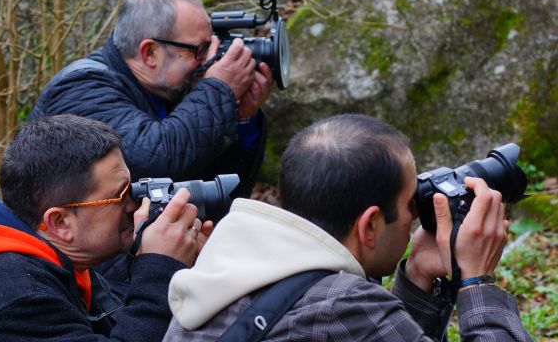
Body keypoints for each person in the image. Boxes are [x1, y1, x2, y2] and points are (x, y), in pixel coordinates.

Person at [163, 114, 532, 341]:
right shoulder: (340, 305)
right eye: (408, 206)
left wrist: (419, 275)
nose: (413, 220)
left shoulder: (225, 267)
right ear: (370, 224)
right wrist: (476, 282)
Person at [30, 0, 273, 220]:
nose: (208, 60)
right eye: (200, 50)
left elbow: (219, 195)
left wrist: (241, 117)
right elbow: (154, 161)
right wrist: (220, 88)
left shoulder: (167, 89)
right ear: (150, 53)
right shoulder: (79, 89)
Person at [0, 114, 212, 341]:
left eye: (131, 186)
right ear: (61, 222)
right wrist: (160, 267)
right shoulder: (13, 300)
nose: (134, 203)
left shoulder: (46, 256)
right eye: (120, 195)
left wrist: (189, 270)